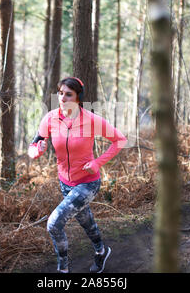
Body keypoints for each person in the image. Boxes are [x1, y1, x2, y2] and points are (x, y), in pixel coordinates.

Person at [28, 77, 127, 273]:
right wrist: (37, 151)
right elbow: (32, 147)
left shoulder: (91, 120)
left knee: (54, 224)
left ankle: (62, 270)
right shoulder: (50, 118)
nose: (62, 98)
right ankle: (102, 251)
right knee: (86, 221)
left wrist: (97, 163)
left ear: (78, 98)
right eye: (60, 93)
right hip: (65, 183)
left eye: (68, 94)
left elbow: (120, 140)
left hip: (88, 183)